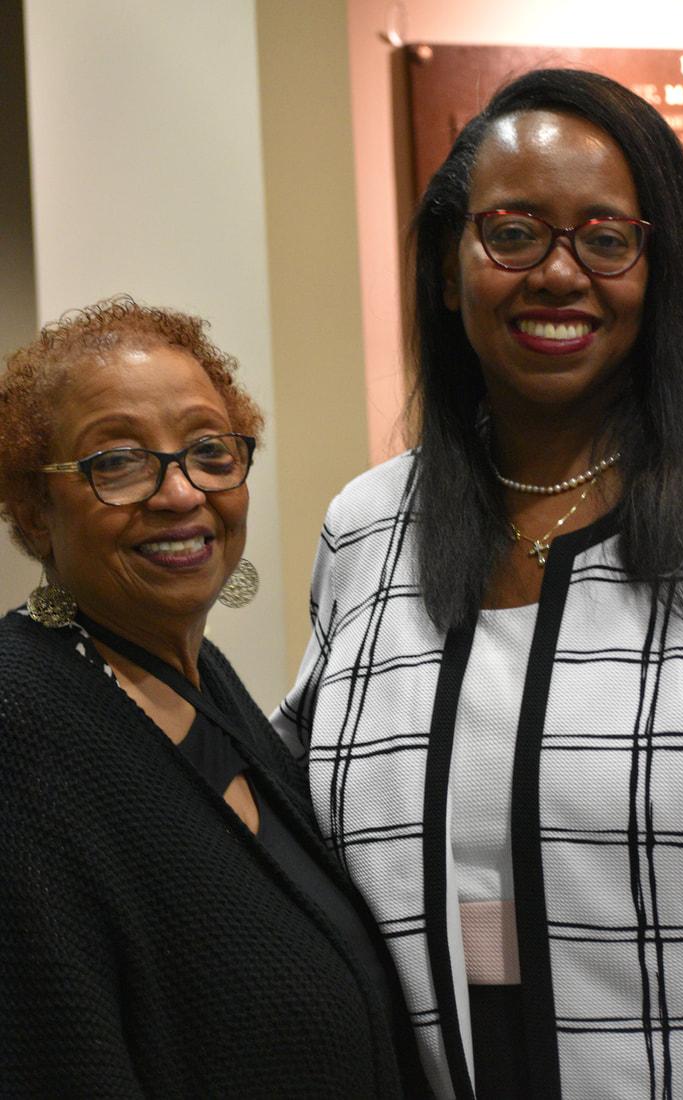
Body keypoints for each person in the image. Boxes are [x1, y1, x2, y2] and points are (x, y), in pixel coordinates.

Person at [272, 68, 683, 1100]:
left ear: (658, 273)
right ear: (449, 268)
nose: (559, 274)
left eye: (606, 239)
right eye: (513, 233)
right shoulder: (367, 529)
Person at [0, 297, 429, 1098]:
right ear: (34, 506)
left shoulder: (206, 685)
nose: (180, 492)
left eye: (208, 450)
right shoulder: (19, 717)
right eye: (117, 462)